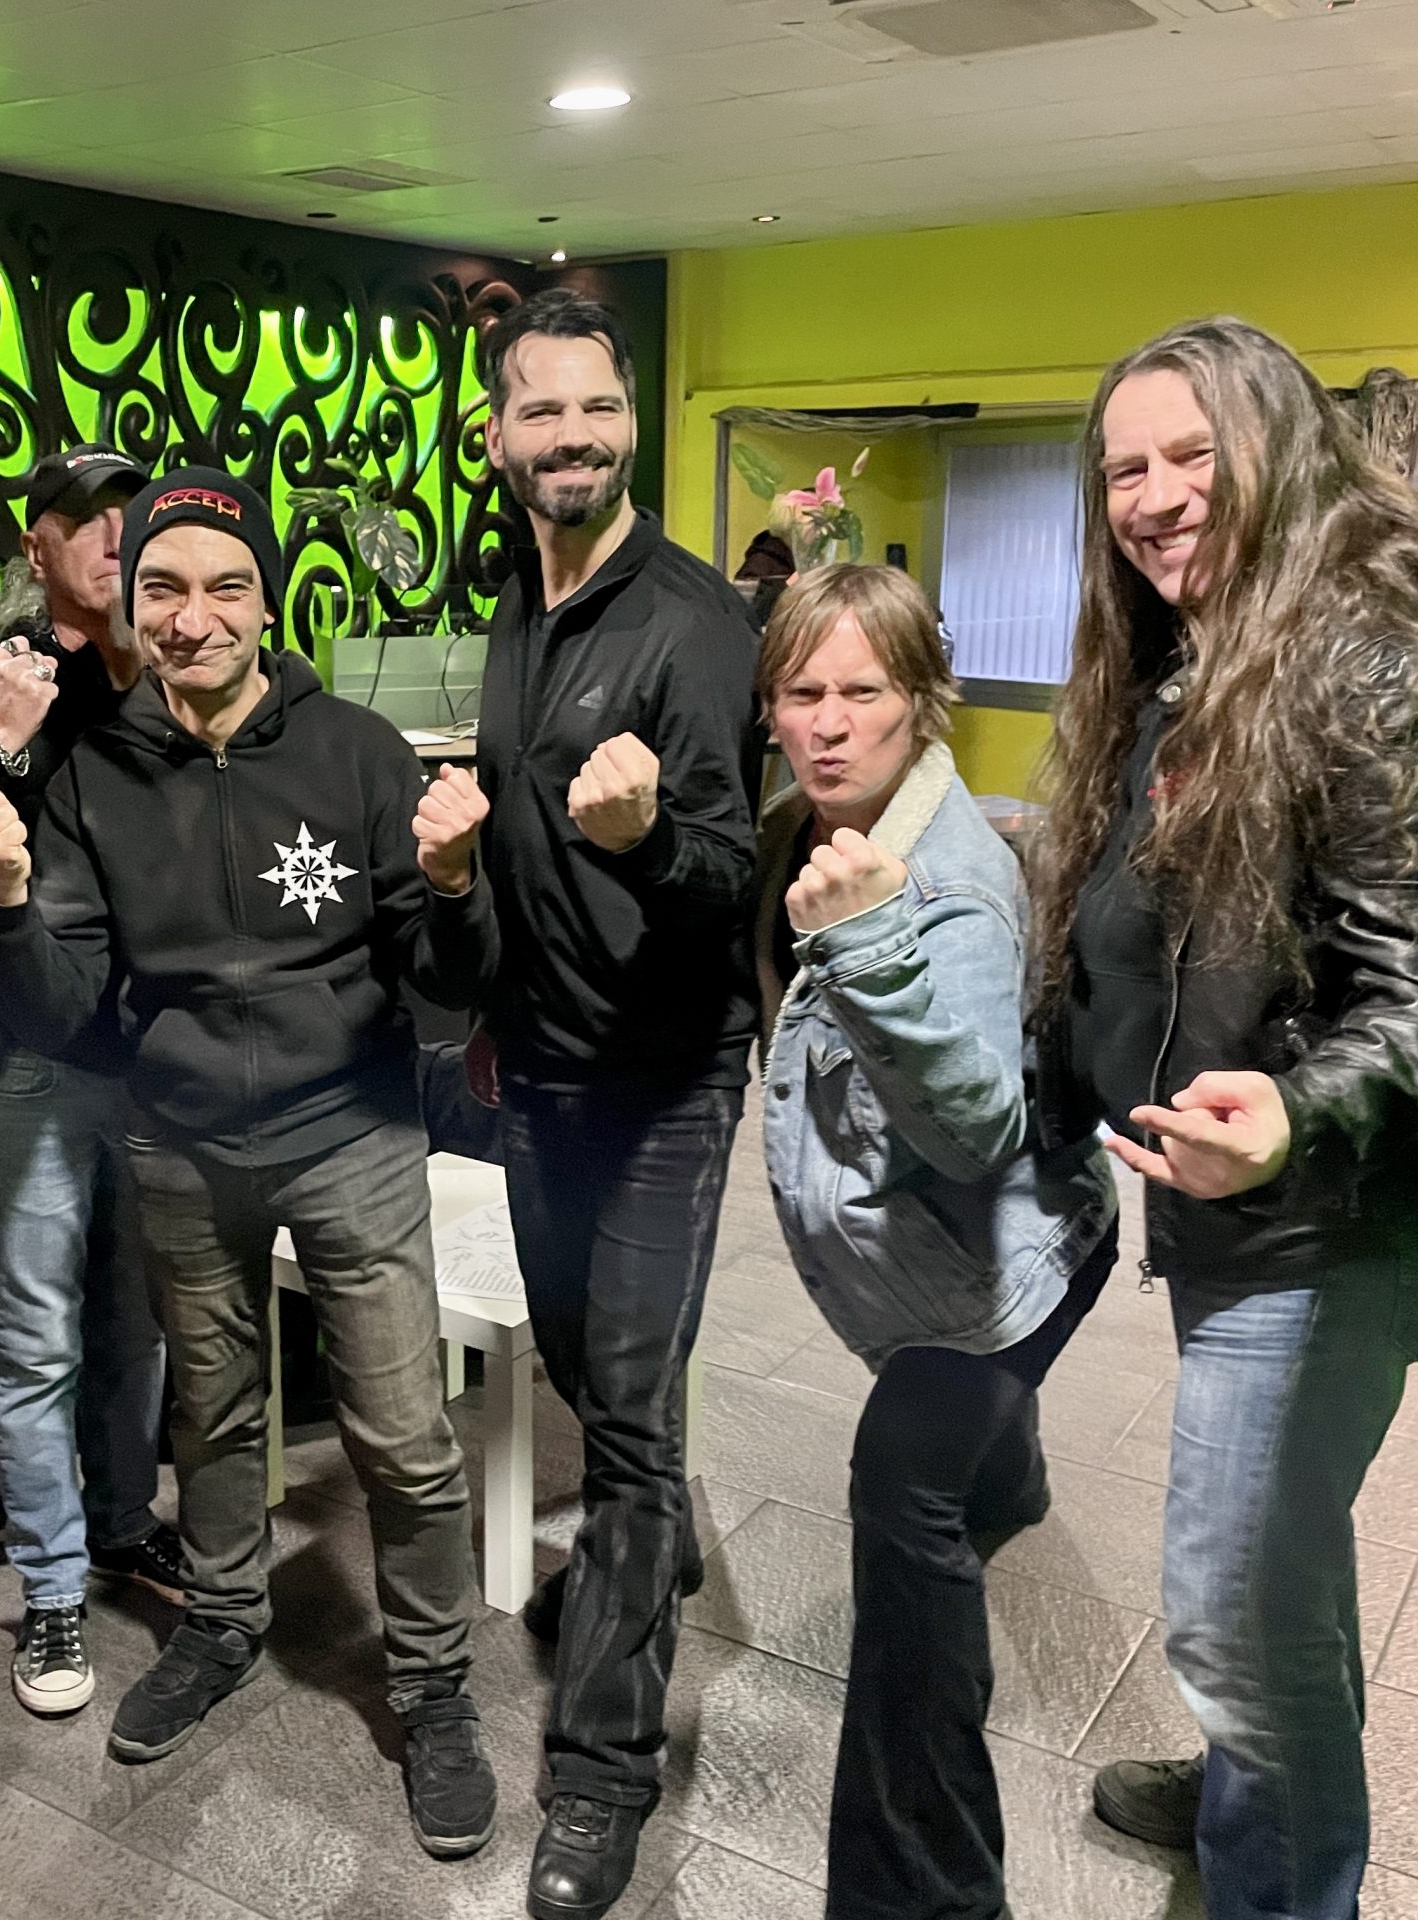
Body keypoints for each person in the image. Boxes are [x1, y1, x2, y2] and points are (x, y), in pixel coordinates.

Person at [1035, 317, 1418, 1918]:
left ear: (1286, 450)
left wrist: (1292, 1119)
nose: (1154, 495)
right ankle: (1250, 1778)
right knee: (1276, 1563)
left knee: (1232, 1600)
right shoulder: (1195, 653)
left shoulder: (1378, 653)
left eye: (1194, 454)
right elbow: (1142, 921)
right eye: (1126, 467)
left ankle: (1283, 1875)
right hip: (1243, 1194)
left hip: (1335, 1214)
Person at [0, 465, 503, 1858]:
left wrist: (453, 886)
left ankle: (433, 1688)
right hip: (179, 1143)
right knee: (211, 1414)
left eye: (224, 586)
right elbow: (61, 1004)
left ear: (265, 602)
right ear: (130, 603)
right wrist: (8, 898)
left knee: (403, 1431)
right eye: (163, 588)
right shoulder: (92, 773)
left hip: (353, 1135)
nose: (193, 617)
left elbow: (444, 989)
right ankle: (224, 1620)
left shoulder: (359, 753)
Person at [753, 565, 1117, 1919]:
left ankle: (930, 1891)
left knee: (901, 1501)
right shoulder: (806, 828)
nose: (829, 722)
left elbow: (974, 1132)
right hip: (959, 1258)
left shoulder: (946, 885)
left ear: (923, 701)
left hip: (1001, 1272)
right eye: (802, 692)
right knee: (966, 1451)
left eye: (864, 692)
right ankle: (1007, 1477)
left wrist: (869, 949)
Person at [469, 288, 762, 1920]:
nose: (572, 437)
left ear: (631, 420)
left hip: (664, 1085)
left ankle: (601, 1776)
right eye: (543, 410)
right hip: (542, 1074)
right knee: (580, 1367)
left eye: (598, 407)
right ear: (499, 435)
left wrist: (651, 839)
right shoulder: (521, 599)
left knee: (631, 1425)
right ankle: (655, 1547)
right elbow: (525, 841)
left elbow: (736, 879)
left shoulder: (696, 625)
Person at [0, 443, 188, 1718]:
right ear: (39, 544)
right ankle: (52, 1589)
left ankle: (122, 1523)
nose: (115, 538)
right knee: (34, 1337)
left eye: (132, 516)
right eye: (86, 519)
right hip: (26, 1063)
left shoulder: (170, 677)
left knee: (136, 1327)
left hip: (155, 1064)